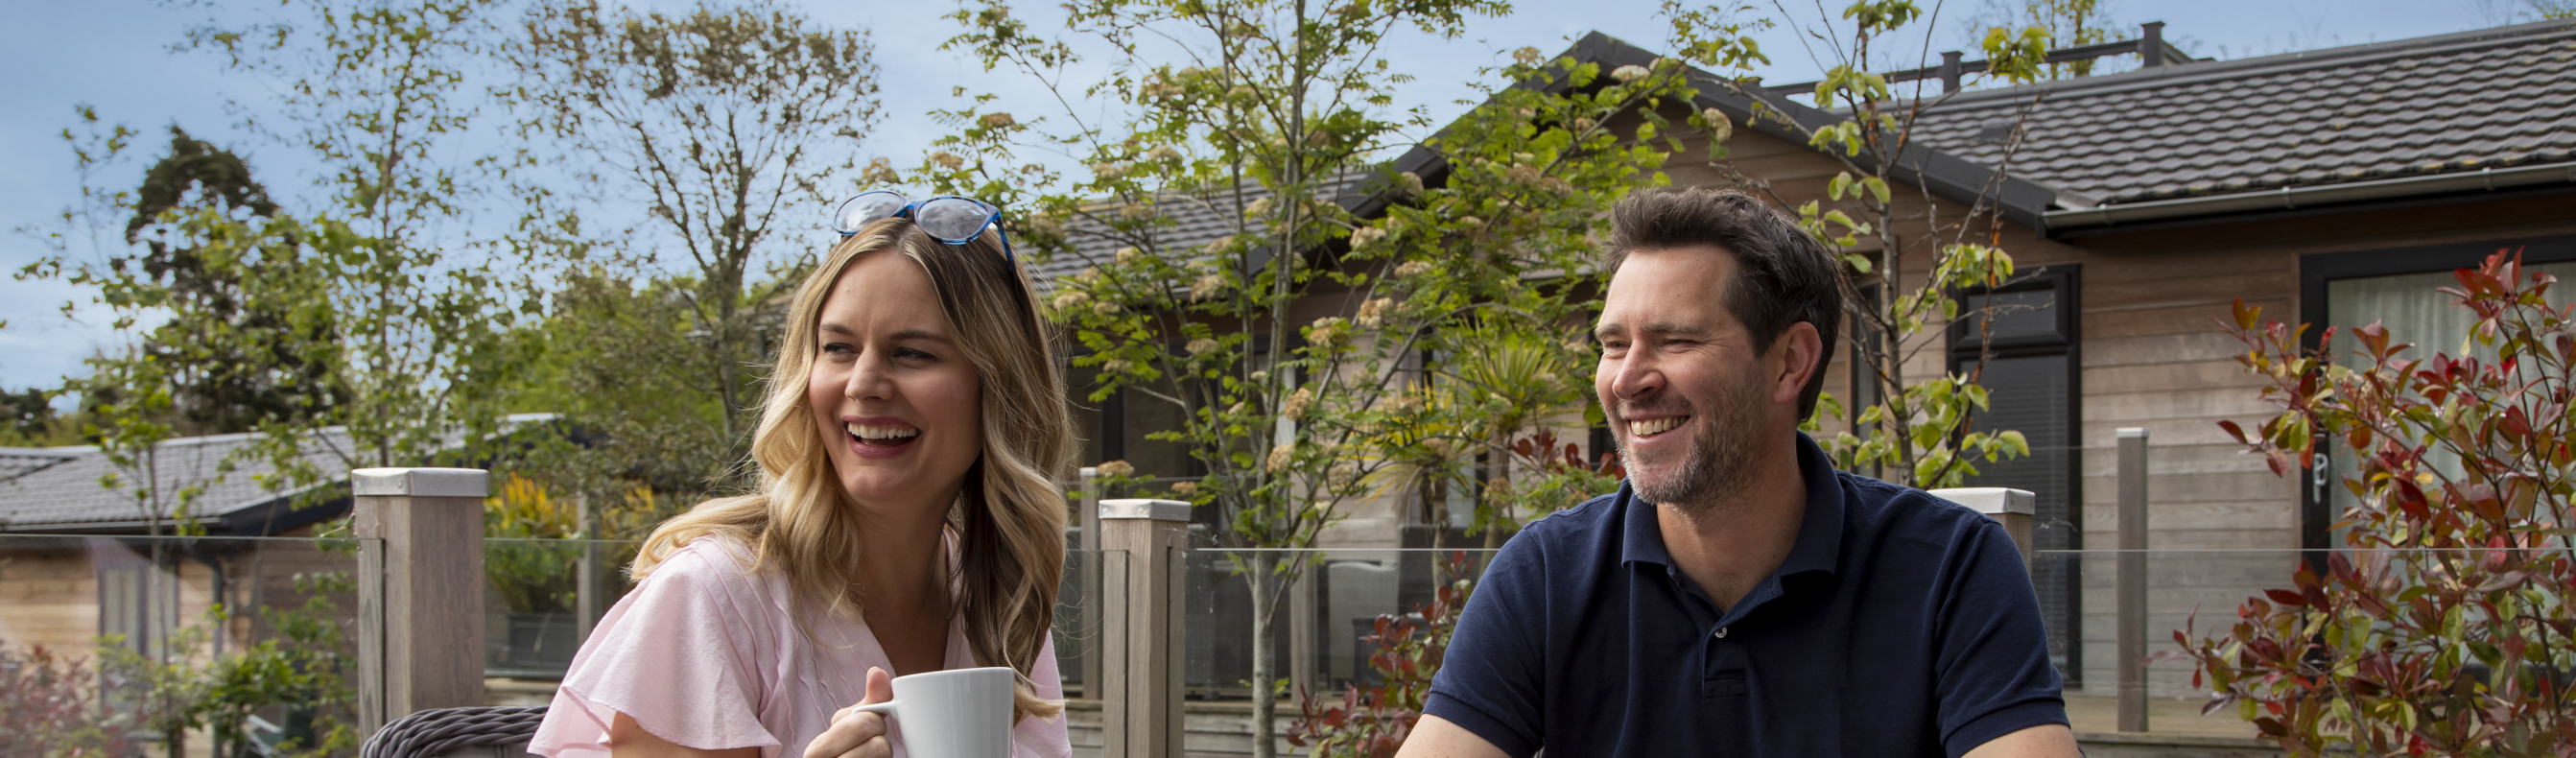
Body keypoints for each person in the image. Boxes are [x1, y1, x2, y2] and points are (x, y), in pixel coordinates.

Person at [1396, 187, 2078, 758]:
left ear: (1789, 363)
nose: (1626, 380)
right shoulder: (1547, 573)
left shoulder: (1949, 565)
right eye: (1612, 345)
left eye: (1674, 340)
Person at [530, 194, 1074, 758]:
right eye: (837, 348)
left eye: (912, 353)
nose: (863, 384)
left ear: (1000, 389)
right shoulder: (715, 595)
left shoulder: (996, 600)